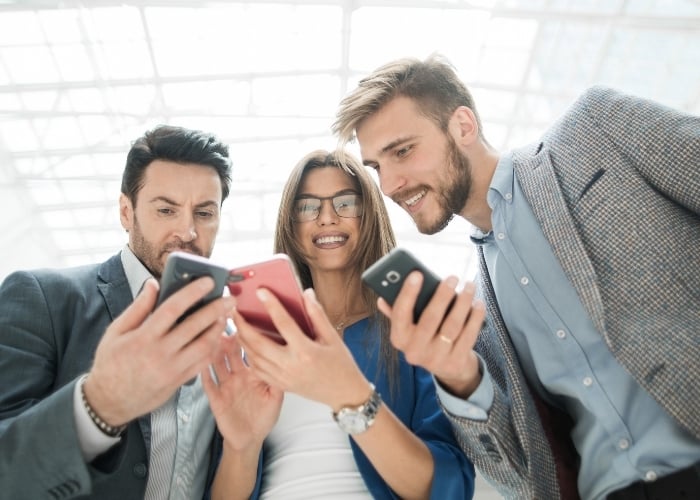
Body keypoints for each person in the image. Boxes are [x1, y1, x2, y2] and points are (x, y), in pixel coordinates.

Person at [331, 54, 700, 500]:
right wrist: (459, 375)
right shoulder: (477, 310)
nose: (388, 185)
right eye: (376, 167)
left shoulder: (594, 129)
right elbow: (520, 478)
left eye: (403, 151)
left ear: (463, 126)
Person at [203, 149, 476, 499]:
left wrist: (350, 397)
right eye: (307, 207)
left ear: (369, 216)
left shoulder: (411, 333)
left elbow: (448, 488)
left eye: (345, 203)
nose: (327, 218)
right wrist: (242, 447)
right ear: (291, 225)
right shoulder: (260, 347)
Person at [0, 125, 235, 499]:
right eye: (165, 210)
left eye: (204, 213)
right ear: (126, 212)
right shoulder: (43, 298)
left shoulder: (228, 342)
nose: (187, 230)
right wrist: (99, 405)